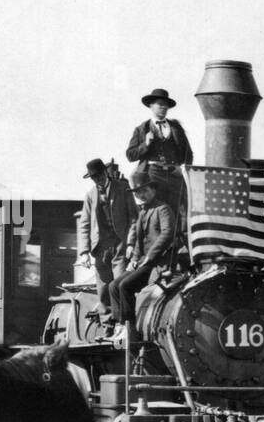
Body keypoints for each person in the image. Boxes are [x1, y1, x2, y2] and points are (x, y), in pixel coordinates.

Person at [108, 170, 178, 345]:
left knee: (125, 286)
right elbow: (139, 241)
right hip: (142, 262)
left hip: (157, 264)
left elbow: (168, 233)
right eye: (138, 192)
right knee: (112, 286)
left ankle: (130, 330)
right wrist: (134, 259)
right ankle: (120, 326)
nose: (141, 195)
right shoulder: (142, 213)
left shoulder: (163, 209)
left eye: (145, 191)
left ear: (153, 190)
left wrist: (149, 257)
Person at [126, 88, 193, 235]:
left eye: (165, 104)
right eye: (159, 104)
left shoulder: (176, 128)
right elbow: (130, 155)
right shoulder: (141, 129)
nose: (163, 107)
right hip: (153, 174)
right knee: (156, 210)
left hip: (174, 174)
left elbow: (188, 154)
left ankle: (176, 247)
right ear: (151, 106)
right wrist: (146, 144)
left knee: (178, 209)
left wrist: (180, 168)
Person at [76, 158, 137, 321]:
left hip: (120, 244)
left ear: (106, 172)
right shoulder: (90, 196)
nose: (98, 180)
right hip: (100, 247)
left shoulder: (123, 188)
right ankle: (107, 324)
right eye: (94, 178)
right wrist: (83, 252)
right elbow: (85, 224)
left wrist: (131, 243)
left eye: (100, 175)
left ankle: (124, 324)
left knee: (120, 284)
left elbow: (133, 218)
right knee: (103, 288)